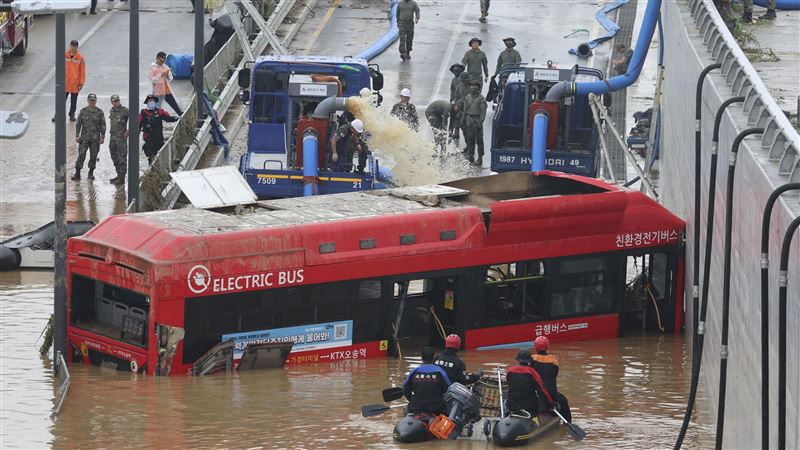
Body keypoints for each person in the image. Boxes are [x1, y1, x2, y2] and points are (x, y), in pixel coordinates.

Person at [531, 336, 571, 422]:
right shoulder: (554, 361)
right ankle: (567, 422)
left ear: (535, 347)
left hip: (534, 392)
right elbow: (554, 375)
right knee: (563, 401)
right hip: (551, 393)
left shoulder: (531, 360)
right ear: (547, 347)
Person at [403, 347, 452, 416]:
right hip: (436, 408)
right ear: (434, 357)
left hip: (416, 407)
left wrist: (413, 400)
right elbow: (449, 389)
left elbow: (405, 388)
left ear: (421, 358)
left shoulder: (414, 371)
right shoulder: (440, 371)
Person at [505, 348, 554, 414]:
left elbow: (509, 384)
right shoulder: (532, 372)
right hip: (529, 406)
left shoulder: (510, 371)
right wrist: (551, 403)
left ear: (518, 359)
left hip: (512, 405)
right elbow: (542, 391)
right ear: (529, 360)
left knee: (505, 399)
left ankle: (507, 413)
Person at [72, 93, 106, 181]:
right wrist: (77, 135)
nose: (92, 102)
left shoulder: (99, 112)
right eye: (91, 100)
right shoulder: (83, 111)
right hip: (84, 139)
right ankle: (77, 173)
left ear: (96, 101)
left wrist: (103, 136)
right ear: (88, 101)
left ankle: (91, 173)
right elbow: (78, 124)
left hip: (95, 139)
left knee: (93, 156)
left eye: (94, 101)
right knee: (81, 155)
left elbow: (103, 125)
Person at [139, 94, 179, 165]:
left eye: (153, 101)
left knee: (161, 156)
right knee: (152, 157)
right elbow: (137, 126)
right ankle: (152, 171)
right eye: (150, 101)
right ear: (147, 102)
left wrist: (176, 118)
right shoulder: (143, 113)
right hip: (149, 139)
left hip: (159, 138)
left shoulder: (160, 111)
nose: (152, 102)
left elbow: (168, 118)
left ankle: (160, 171)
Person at [53, 40, 86, 122]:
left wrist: (81, 83)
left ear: (77, 47)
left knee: (73, 102)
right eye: (72, 46)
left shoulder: (80, 58)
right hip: (65, 83)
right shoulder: (64, 56)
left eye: (75, 46)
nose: (73, 48)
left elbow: (82, 72)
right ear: (70, 46)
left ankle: (72, 115)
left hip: (75, 84)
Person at [461, 81, 487, 166]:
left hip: (477, 120)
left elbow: (483, 111)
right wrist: (463, 119)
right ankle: (471, 155)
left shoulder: (481, 99)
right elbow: (465, 109)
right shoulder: (468, 97)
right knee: (470, 139)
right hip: (469, 119)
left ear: (478, 89)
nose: (472, 89)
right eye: (471, 87)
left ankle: (480, 158)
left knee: (479, 140)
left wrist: (481, 121)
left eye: (474, 88)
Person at [108, 94, 129, 184]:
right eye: (114, 101)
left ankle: (122, 178)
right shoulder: (112, 110)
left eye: (117, 100)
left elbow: (135, 120)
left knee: (122, 158)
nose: (116, 102)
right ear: (112, 102)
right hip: (112, 137)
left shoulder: (125, 110)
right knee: (114, 156)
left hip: (121, 138)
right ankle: (118, 175)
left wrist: (128, 131)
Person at [452, 71, 472, 140]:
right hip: (461, 107)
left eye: (465, 80)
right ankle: (456, 131)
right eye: (463, 80)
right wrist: (456, 104)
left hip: (470, 108)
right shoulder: (459, 87)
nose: (464, 82)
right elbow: (456, 97)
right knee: (457, 119)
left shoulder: (473, 87)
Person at [449, 64, 465, 139]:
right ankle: (456, 131)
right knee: (456, 117)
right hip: (456, 100)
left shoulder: (463, 79)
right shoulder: (453, 80)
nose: (456, 72)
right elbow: (452, 90)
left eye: (457, 71)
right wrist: (451, 99)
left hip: (463, 100)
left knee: (462, 117)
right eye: (454, 71)